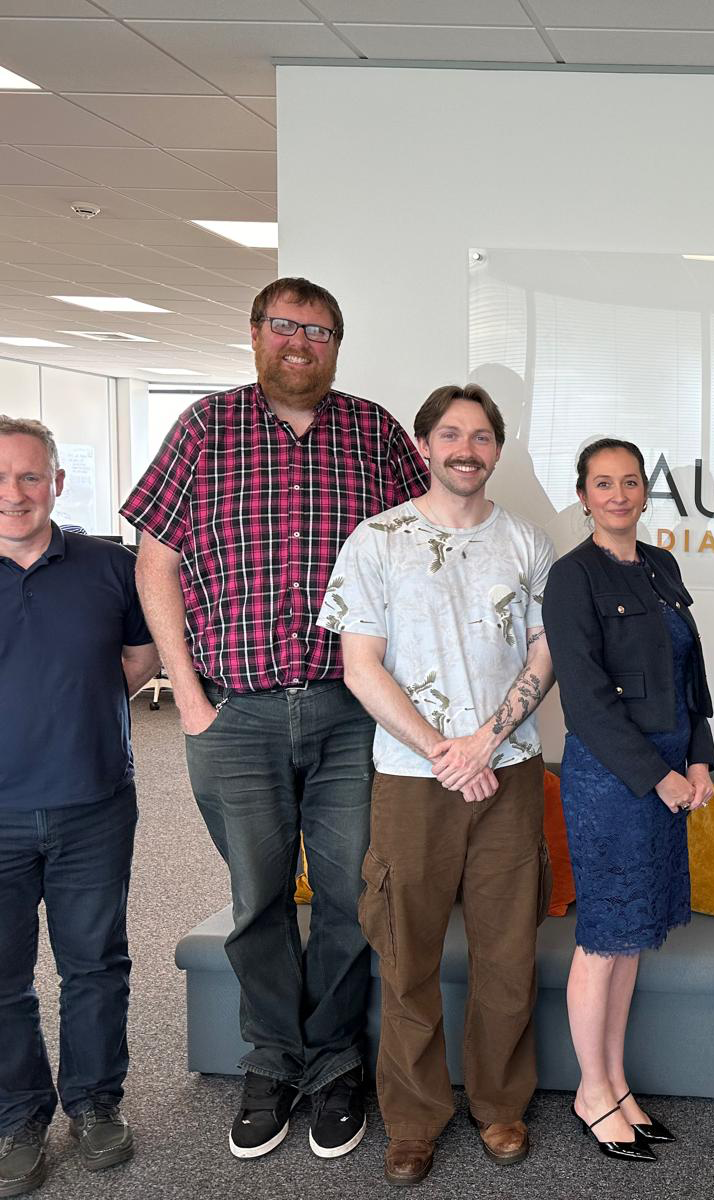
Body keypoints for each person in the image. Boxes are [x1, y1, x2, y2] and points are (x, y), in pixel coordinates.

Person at [120, 277, 429, 1160]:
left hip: (347, 714)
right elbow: (156, 563)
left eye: (320, 329)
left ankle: (333, 1064)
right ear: (256, 333)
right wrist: (184, 690)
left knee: (344, 897)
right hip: (236, 716)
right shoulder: (205, 429)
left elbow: (426, 541)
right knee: (256, 899)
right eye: (286, 326)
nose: (302, 342)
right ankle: (272, 1059)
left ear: (338, 342)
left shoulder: (374, 433)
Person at [318, 384, 556, 1186]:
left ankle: (499, 1106)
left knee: (506, 954)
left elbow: (543, 657)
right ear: (424, 445)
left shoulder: (526, 543)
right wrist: (442, 750)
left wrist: (484, 743)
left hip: (510, 778)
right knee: (406, 955)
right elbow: (361, 666)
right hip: (412, 782)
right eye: (450, 434)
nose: (466, 448)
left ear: (497, 448)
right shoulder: (376, 540)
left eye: (482, 435)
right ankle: (414, 1120)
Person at [543, 437, 714, 1163]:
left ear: (646, 492)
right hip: (612, 782)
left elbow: (687, 674)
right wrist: (661, 776)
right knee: (603, 940)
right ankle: (591, 1091)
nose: (618, 494)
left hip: (668, 774)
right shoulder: (571, 578)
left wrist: (701, 756)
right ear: (582, 495)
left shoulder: (662, 566)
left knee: (634, 938)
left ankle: (615, 1081)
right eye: (602, 483)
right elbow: (584, 702)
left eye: (631, 482)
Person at [0, 418, 159, 1198]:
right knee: (1, 975)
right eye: (0, 480)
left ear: (58, 482)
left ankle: (95, 1103)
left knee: (94, 966)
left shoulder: (110, 567)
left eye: (30, 477)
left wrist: (83, 712)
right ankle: (16, 1114)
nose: (14, 494)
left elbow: (140, 656)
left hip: (93, 801)